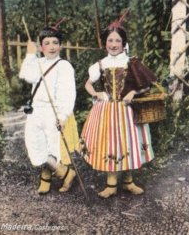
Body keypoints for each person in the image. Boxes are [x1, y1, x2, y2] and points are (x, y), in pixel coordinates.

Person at [80, 12, 157, 198]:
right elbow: (88, 84)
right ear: (105, 43)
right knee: (110, 144)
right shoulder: (101, 64)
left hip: (126, 111)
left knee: (127, 143)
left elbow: (147, 85)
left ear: (123, 43)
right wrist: (96, 93)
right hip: (106, 110)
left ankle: (129, 181)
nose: (113, 44)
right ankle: (111, 184)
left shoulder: (131, 62)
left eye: (117, 41)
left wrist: (132, 92)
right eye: (110, 40)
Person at [19, 20, 79, 194]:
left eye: (55, 43)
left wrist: (63, 116)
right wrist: (30, 55)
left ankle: (45, 179)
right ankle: (66, 173)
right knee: (35, 146)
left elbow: (68, 95)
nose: (51, 47)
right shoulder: (38, 63)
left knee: (52, 148)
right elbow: (26, 76)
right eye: (46, 43)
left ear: (60, 45)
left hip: (53, 112)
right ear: (41, 46)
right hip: (36, 111)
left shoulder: (64, 66)